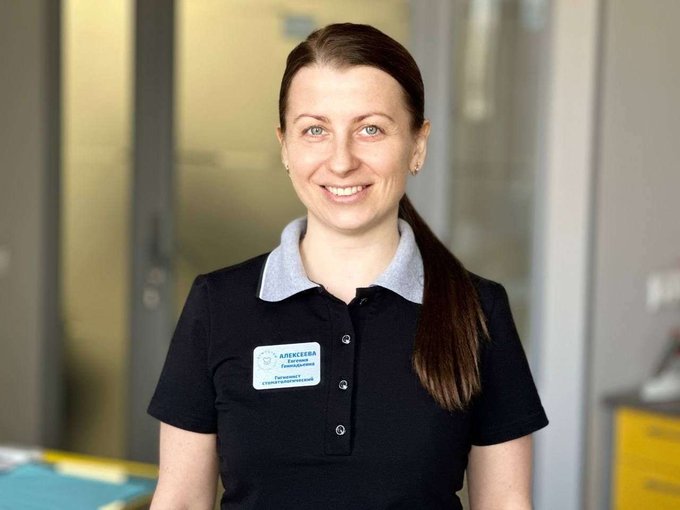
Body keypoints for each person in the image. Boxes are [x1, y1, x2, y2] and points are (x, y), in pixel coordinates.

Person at [148, 22, 548, 510]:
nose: (341, 161)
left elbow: (505, 502)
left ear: (418, 145)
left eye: (370, 129)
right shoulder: (218, 305)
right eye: (315, 130)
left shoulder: (478, 310)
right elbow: (181, 501)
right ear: (285, 146)